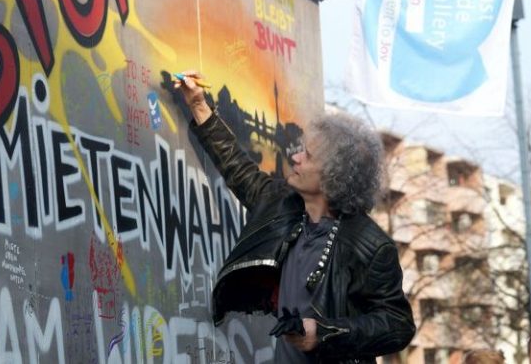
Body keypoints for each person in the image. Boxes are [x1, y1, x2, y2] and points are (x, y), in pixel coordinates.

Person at [175, 71, 415, 362]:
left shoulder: (371, 246)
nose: (296, 157)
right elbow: (237, 168)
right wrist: (198, 105)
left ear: (333, 176)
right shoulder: (283, 208)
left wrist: (324, 332)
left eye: (308, 156)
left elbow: (398, 325)